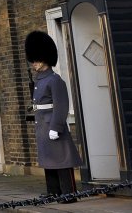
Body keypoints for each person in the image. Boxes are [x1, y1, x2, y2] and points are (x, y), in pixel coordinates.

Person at [25, 30, 82, 196]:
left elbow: (61, 105)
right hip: (43, 124)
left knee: (63, 160)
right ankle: (53, 192)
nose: (33, 63)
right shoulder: (40, 79)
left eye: (36, 60)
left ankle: (69, 193)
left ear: (44, 60)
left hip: (52, 124)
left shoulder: (55, 80)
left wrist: (56, 127)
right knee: (49, 160)